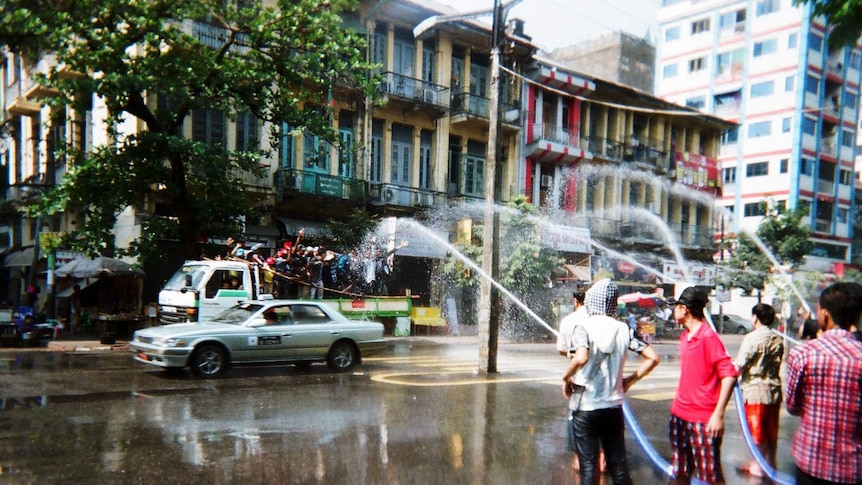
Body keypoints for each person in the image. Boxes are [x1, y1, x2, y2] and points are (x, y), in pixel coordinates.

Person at [561, 278, 660, 485]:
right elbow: (653, 357)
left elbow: (580, 357)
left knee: (589, 467)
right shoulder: (624, 329)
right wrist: (630, 380)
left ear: (591, 301)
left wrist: (566, 377)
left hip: (586, 408)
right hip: (613, 408)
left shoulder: (583, 326)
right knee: (618, 465)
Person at [785, 282, 862, 485]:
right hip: (853, 468)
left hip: (810, 460)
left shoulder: (802, 354)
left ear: (825, 315)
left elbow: (792, 406)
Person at [668, 287, 738, 485]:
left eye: (676, 307)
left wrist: (718, 415)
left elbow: (729, 375)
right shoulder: (685, 337)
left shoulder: (708, 337)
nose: (673, 311)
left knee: (710, 475)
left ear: (684, 309)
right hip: (679, 415)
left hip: (703, 419)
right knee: (680, 471)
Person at [555, 286, 604, 474]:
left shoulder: (569, 321)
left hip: (579, 383)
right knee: (601, 453)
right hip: (604, 386)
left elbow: (562, 350)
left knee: (579, 453)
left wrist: (570, 357)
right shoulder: (600, 320)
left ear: (575, 301)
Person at [733, 303, 784, 478]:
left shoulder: (752, 338)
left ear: (755, 317)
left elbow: (740, 365)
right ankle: (770, 463)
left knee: (757, 431)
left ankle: (759, 467)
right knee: (771, 431)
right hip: (774, 390)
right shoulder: (777, 339)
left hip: (755, 390)